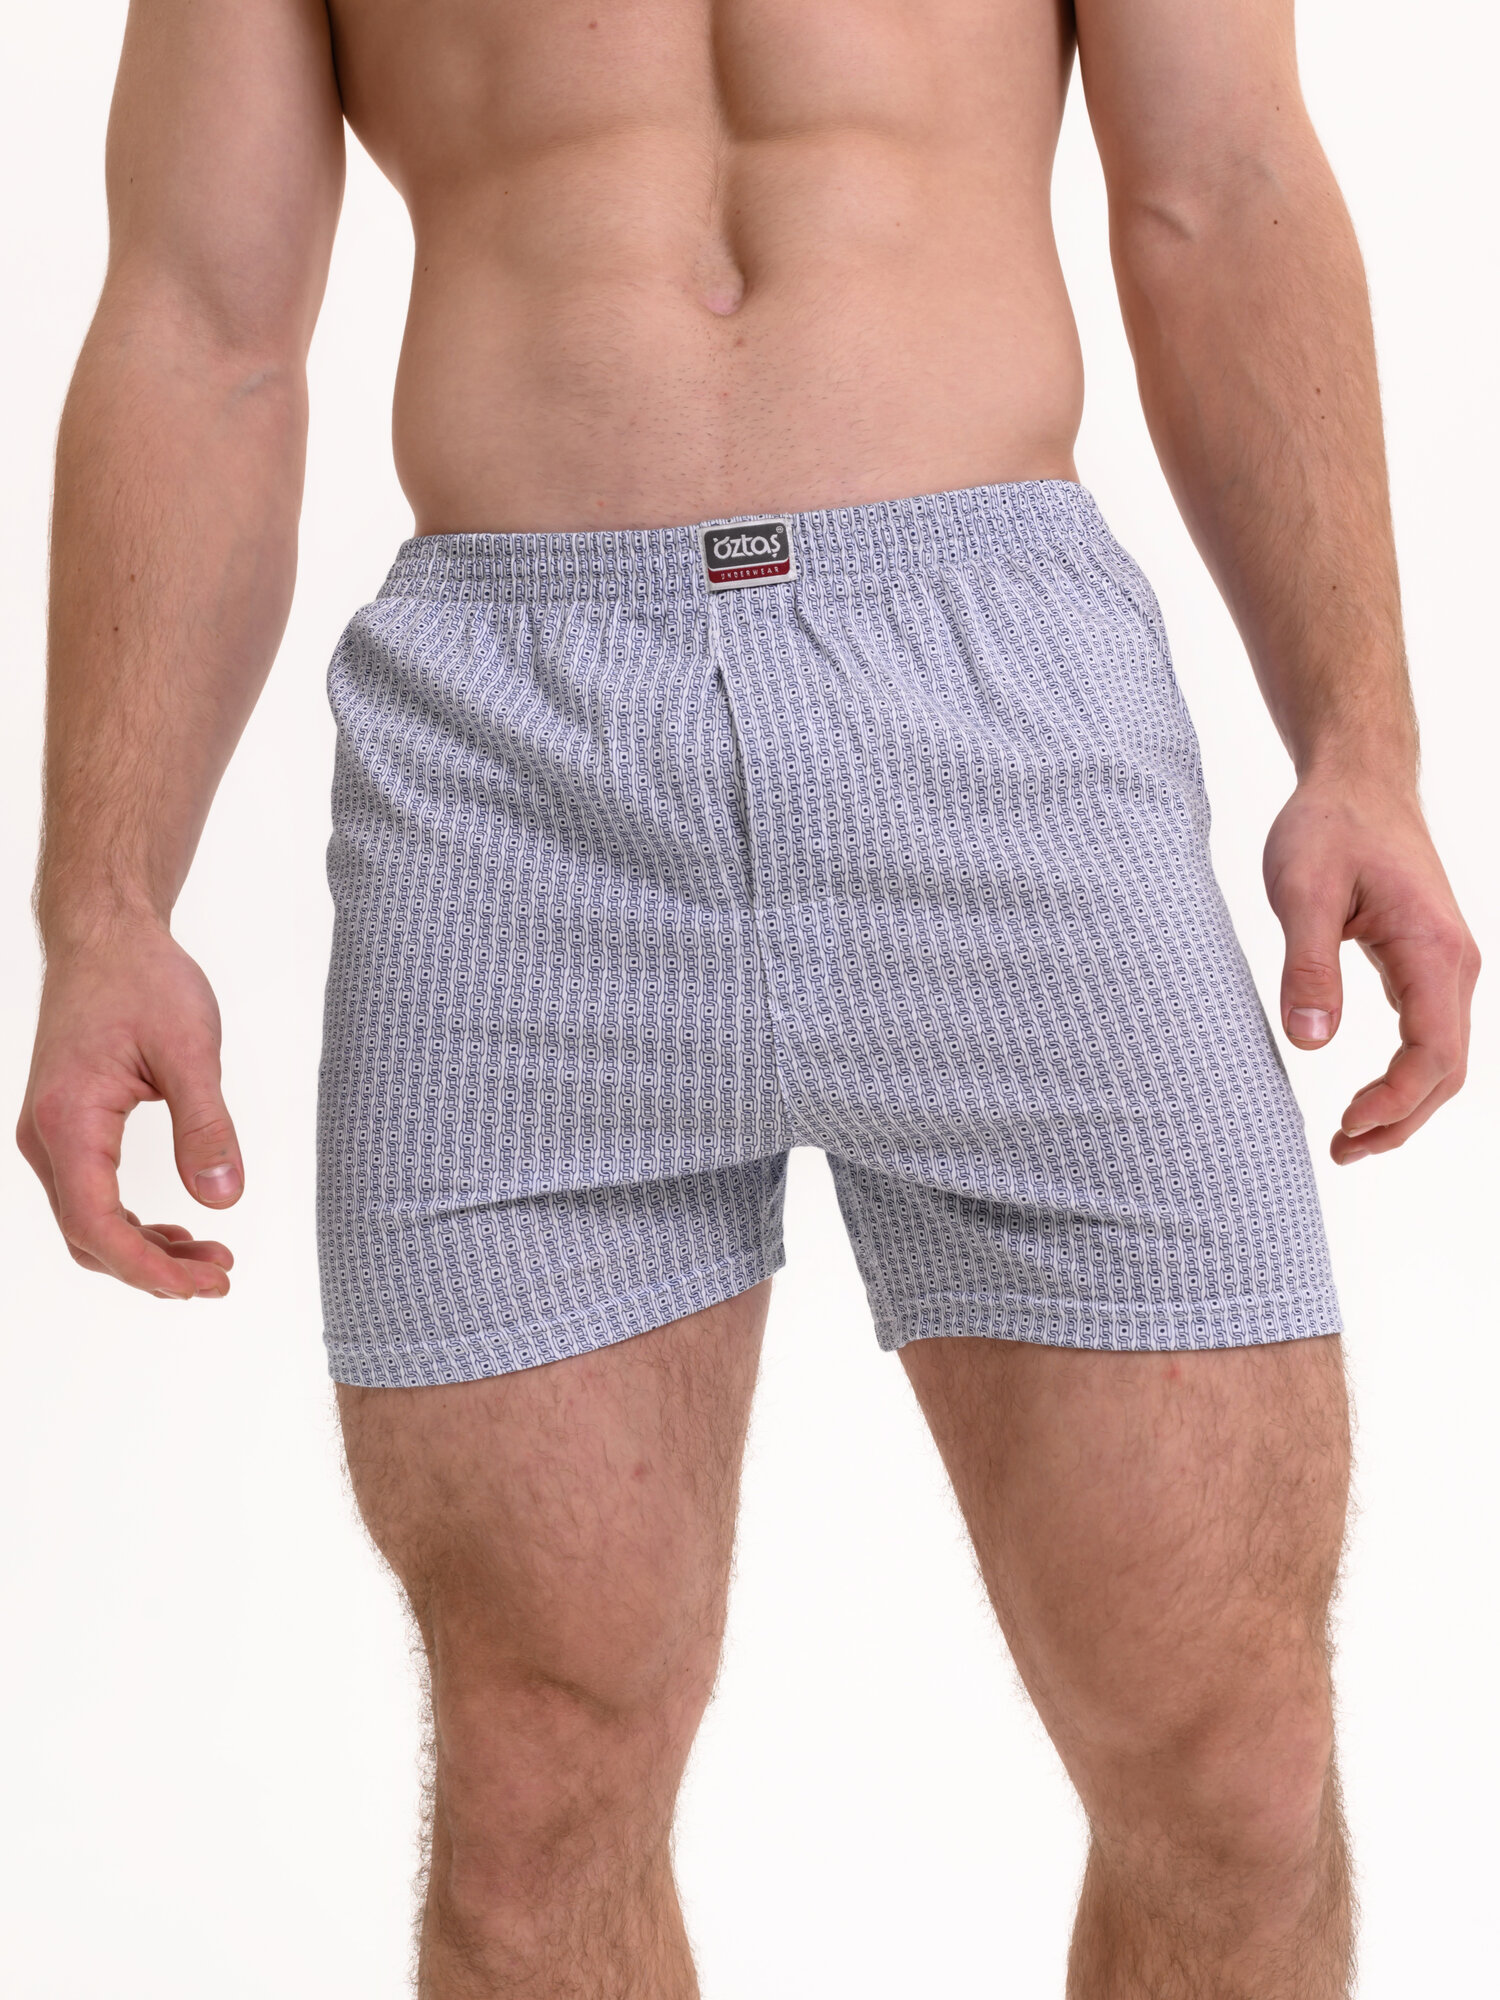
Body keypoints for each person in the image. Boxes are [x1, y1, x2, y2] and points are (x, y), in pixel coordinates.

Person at [15, 0, 1479, 1993]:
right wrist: (104, 901)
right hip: (515, 777)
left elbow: (1219, 188)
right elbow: (203, 323)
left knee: (1235, 1762)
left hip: (1008, 720)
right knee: (535, 1799)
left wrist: (1361, 739)